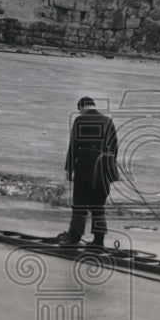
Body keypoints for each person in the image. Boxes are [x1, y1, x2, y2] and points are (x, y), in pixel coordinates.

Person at [59, 96, 119, 247]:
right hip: (103, 167)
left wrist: (69, 169)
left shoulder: (80, 120)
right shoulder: (108, 121)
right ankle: (99, 241)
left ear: (81, 108)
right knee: (98, 205)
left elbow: (73, 146)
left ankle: (74, 237)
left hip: (85, 165)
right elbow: (115, 147)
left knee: (80, 202)